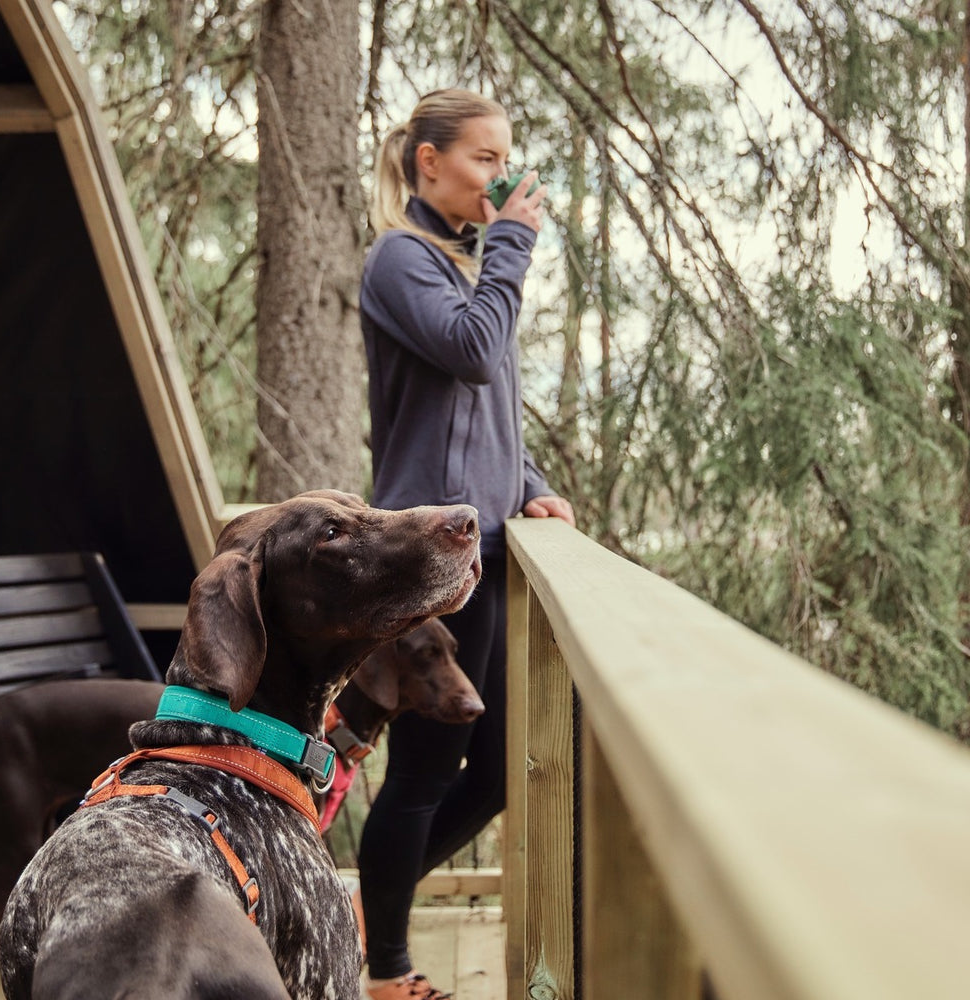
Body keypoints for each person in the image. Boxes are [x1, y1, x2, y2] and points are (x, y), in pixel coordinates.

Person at [357, 88, 575, 1000]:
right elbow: (472, 353)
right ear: (429, 162)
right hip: (426, 555)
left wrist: (529, 487)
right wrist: (514, 245)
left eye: (505, 156)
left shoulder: (458, 261)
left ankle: (375, 900)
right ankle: (386, 967)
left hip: (479, 543)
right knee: (419, 768)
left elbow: (479, 409)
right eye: (486, 157)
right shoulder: (402, 259)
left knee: (487, 772)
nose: (503, 174)